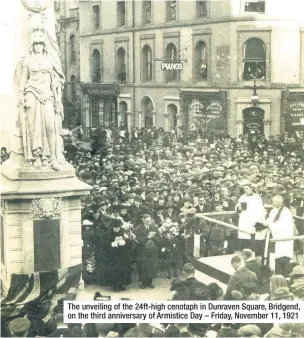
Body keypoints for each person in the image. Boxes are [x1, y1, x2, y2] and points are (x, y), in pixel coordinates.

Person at [15, 29, 66, 170]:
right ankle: (37, 156)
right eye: (36, 43)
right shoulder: (27, 60)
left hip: (47, 94)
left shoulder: (50, 59)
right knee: (33, 127)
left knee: (50, 126)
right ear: (33, 45)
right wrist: (21, 96)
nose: (38, 46)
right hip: (31, 92)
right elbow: (23, 81)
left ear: (44, 45)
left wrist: (57, 84)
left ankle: (52, 157)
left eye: (41, 43)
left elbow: (58, 77)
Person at [265, 195, 294, 277]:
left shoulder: (286, 212)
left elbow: (280, 227)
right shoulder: (273, 211)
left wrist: (269, 223)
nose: (273, 203)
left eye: (274, 201)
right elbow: (269, 219)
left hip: (284, 239)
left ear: (280, 202)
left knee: (283, 261)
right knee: (276, 260)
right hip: (275, 239)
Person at [104, 218, 132, 291]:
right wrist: (111, 243)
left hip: (122, 253)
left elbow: (128, 239)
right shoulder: (109, 232)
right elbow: (105, 242)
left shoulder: (123, 231)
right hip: (113, 254)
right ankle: (115, 285)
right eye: (114, 227)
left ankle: (121, 284)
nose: (116, 229)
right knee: (114, 269)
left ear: (120, 226)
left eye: (117, 227)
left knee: (122, 268)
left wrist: (125, 242)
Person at [235, 184, 265, 252]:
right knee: (244, 236)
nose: (245, 190)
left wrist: (259, 221)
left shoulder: (257, 198)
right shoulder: (242, 197)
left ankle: (254, 253)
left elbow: (260, 210)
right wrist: (238, 208)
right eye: (244, 189)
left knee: (253, 237)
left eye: (247, 188)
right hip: (244, 219)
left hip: (253, 219)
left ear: (251, 189)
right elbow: (237, 205)